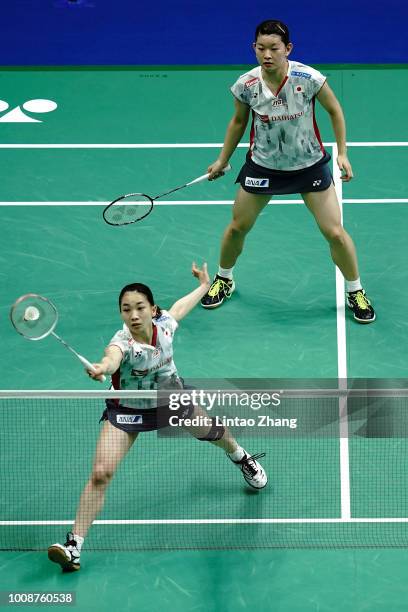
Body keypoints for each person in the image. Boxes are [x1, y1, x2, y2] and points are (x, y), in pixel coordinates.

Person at [47, 262, 267, 572]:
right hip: (128, 409)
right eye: (126, 310)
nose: (133, 315)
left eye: (139, 308)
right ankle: (74, 546)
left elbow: (177, 310)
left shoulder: (163, 324)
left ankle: (241, 457)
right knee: (100, 474)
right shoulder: (122, 342)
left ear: (152, 309)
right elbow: (112, 359)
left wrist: (204, 287)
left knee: (213, 434)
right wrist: (101, 368)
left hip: (169, 398)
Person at [201, 19, 375, 324]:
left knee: (334, 232)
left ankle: (355, 290)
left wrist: (343, 153)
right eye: (260, 48)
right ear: (254, 48)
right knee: (237, 227)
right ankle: (224, 278)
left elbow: (335, 110)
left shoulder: (308, 78)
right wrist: (222, 159)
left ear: (288, 49)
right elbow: (238, 123)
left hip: (308, 166)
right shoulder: (246, 84)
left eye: (274, 48)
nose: (267, 54)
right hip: (263, 165)